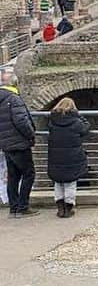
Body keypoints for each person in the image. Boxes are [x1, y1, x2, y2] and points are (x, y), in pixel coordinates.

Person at [1, 72, 38, 217]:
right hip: (19, 143)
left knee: (13, 177)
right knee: (29, 174)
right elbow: (21, 121)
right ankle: (23, 207)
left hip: (6, 144)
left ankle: (13, 208)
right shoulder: (13, 99)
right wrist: (31, 135)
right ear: (14, 83)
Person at [46, 97, 90, 218]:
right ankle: (68, 207)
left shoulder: (52, 121)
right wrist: (79, 116)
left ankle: (60, 207)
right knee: (70, 182)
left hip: (56, 157)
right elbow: (85, 128)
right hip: (72, 156)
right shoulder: (76, 122)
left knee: (58, 182)